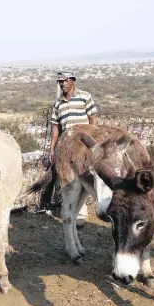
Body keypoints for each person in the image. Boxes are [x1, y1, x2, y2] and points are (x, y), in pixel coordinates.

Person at [48, 71, 98, 227]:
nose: (63, 84)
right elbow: (56, 127)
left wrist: (92, 140)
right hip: (66, 146)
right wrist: (52, 148)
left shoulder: (85, 97)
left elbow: (93, 119)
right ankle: (70, 211)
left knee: (84, 176)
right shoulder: (58, 104)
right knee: (69, 179)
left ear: (73, 81)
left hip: (83, 145)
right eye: (60, 81)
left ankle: (80, 214)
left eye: (66, 80)